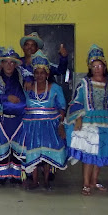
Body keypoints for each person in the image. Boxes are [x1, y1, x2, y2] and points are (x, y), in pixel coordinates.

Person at [65, 45, 108, 196]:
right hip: (89, 121)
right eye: (94, 66)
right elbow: (76, 102)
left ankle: (95, 180)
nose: (97, 69)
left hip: (104, 122)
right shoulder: (85, 84)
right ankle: (86, 183)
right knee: (89, 154)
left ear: (104, 66)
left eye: (99, 66)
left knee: (99, 153)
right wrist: (79, 118)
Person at [14, 50, 67, 190]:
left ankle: (47, 181)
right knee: (34, 152)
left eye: (42, 72)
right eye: (36, 72)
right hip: (31, 125)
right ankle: (35, 181)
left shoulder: (56, 88)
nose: (39, 75)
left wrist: (61, 124)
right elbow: (22, 104)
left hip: (50, 124)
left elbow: (62, 107)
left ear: (47, 74)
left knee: (46, 153)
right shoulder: (28, 87)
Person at [0, 48, 25, 182]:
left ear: (16, 64)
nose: (9, 65)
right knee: (1, 146)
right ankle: (1, 176)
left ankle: (17, 175)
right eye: (6, 62)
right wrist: (6, 97)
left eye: (12, 63)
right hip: (2, 118)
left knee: (18, 147)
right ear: (2, 63)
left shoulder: (23, 76)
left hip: (20, 118)